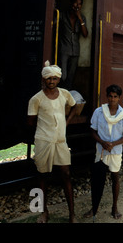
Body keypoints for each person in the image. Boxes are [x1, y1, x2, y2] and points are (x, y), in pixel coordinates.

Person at [27, 60, 78, 223]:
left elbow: (75, 106)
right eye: (48, 78)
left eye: (54, 79)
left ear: (58, 79)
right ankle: (43, 212)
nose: (51, 81)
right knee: (43, 176)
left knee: (66, 173)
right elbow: (31, 121)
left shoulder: (64, 94)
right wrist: (45, 130)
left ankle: (72, 215)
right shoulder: (36, 99)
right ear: (44, 79)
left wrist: (66, 122)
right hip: (44, 141)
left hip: (60, 141)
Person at [84, 84, 123, 221]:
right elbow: (92, 131)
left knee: (115, 178)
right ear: (107, 96)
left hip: (115, 151)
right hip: (101, 151)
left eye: (115, 97)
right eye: (110, 96)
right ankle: (94, 207)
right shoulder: (99, 112)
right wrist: (102, 142)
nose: (112, 99)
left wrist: (113, 144)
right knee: (98, 179)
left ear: (119, 98)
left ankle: (114, 207)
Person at [59, 0, 88, 89]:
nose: (77, 6)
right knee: (62, 76)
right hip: (64, 49)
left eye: (80, 4)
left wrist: (79, 18)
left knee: (71, 77)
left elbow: (85, 34)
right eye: (76, 3)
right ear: (71, 3)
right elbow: (53, 24)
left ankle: (67, 97)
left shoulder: (82, 18)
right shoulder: (63, 15)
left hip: (75, 50)